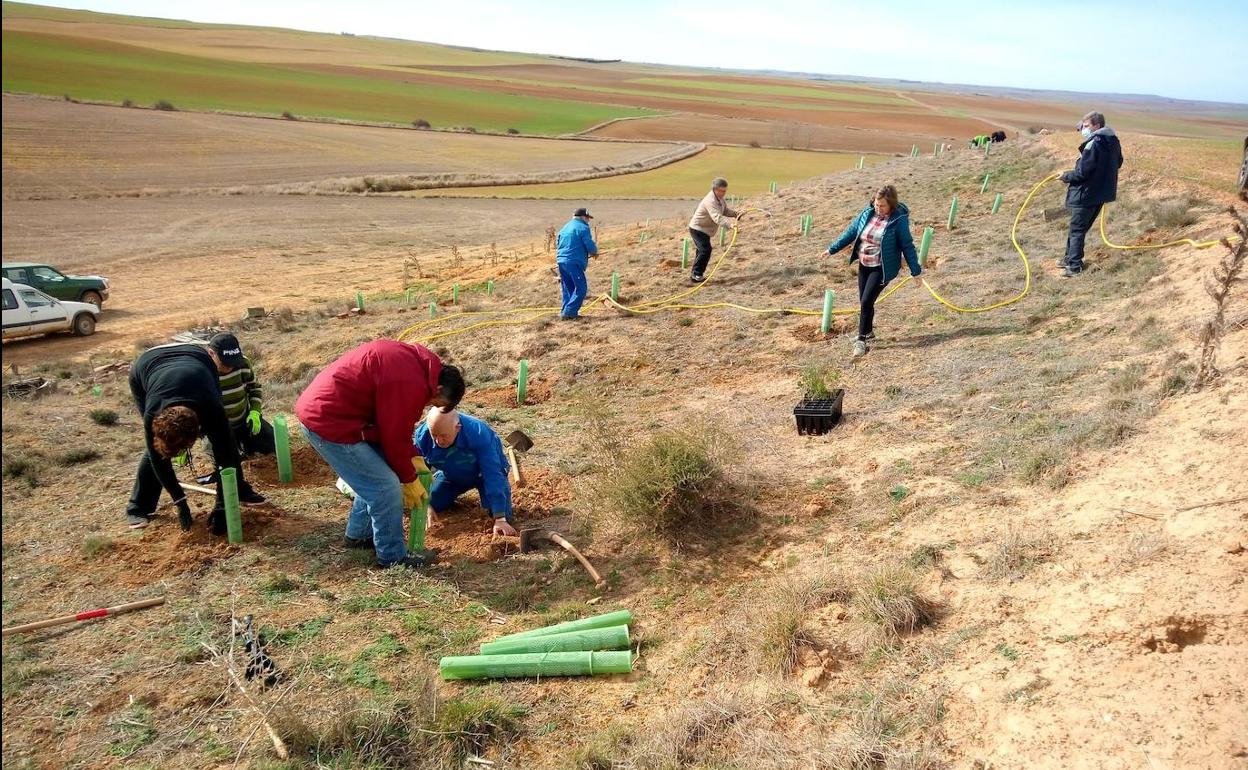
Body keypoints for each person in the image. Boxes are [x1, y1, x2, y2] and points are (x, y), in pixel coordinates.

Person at [295, 340, 465, 569]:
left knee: (375, 475)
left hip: (338, 414)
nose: (428, 405)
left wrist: (413, 458)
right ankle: (392, 556)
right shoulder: (408, 382)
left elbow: (396, 428)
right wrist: (409, 478)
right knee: (385, 486)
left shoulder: (417, 366)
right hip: (329, 422)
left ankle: (359, 536)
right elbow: (393, 436)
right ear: (438, 389)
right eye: (435, 402)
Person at [126, 343, 265, 532]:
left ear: (199, 428)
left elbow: (226, 453)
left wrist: (222, 504)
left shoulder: (212, 408)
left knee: (225, 443)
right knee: (156, 450)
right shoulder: (153, 413)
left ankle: (237, 489)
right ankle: (139, 506)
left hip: (198, 359)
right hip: (147, 363)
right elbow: (158, 460)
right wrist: (180, 502)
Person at [825, 185, 922, 358]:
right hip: (864, 264)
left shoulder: (898, 220)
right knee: (865, 301)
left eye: (882, 206)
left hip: (882, 268)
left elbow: (907, 246)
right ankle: (868, 332)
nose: (878, 209)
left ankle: (861, 341)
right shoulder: (867, 213)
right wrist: (832, 249)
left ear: (891, 205)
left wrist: (916, 272)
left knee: (866, 301)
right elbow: (851, 232)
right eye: (876, 205)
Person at [414, 409, 517, 537]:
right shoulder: (423, 437)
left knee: (501, 516)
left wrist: (500, 518)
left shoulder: (479, 433)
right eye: (434, 434)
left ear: (457, 428)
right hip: (452, 475)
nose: (438, 441)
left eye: (444, 435)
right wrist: (426, 505)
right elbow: (418, 473)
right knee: (432, 503)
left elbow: (492, 474)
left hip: (483, 476)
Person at [193, 332, 274, 484]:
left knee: (272, 444)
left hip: (244, 420)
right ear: (211, 354)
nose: (230, 367)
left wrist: (255, 411)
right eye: (225, 363)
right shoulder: (202, 373)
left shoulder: (242, 363)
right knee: (228, 462)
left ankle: (245, 446)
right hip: (218, 429)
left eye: (233, 362)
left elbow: (254, 388)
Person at [1057, 111, 1123, 277]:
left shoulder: (1093, 144)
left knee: (1077, 230)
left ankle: (1074, 266)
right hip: (1100, 194)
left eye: (1086, 126)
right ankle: (1068, 259)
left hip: (1086, 194)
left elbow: (1082, 173)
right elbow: (1119, 162)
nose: (1083, 129)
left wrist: (1065, 176)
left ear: (1097, 126)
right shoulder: (1113, 140)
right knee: (1080, 228)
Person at [687, 177, 743, 283]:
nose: (723, 193)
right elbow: (717, 216)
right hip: (697, 228)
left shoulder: (720, 198)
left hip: (704, 229)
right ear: (715, 189)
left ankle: (696, 274)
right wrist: (730, 225)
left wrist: (736, 214)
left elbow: (724, 210)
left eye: (725, 191)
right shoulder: (710, 200)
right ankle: (696, 275)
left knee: (702, 251)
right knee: (705, 250)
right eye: (721, 191)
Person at [555, 207, 598, 320]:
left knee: (568, 287)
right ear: (583, 217)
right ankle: (569, 313)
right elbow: (588, 243)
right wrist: (594, 252)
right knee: (581, 288)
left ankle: (565, 311)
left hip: (561, 260)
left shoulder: (565, 227)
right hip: (573, 262)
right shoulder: (583, 227)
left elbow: (558, 243)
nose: (588, 220)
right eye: (588, 218)